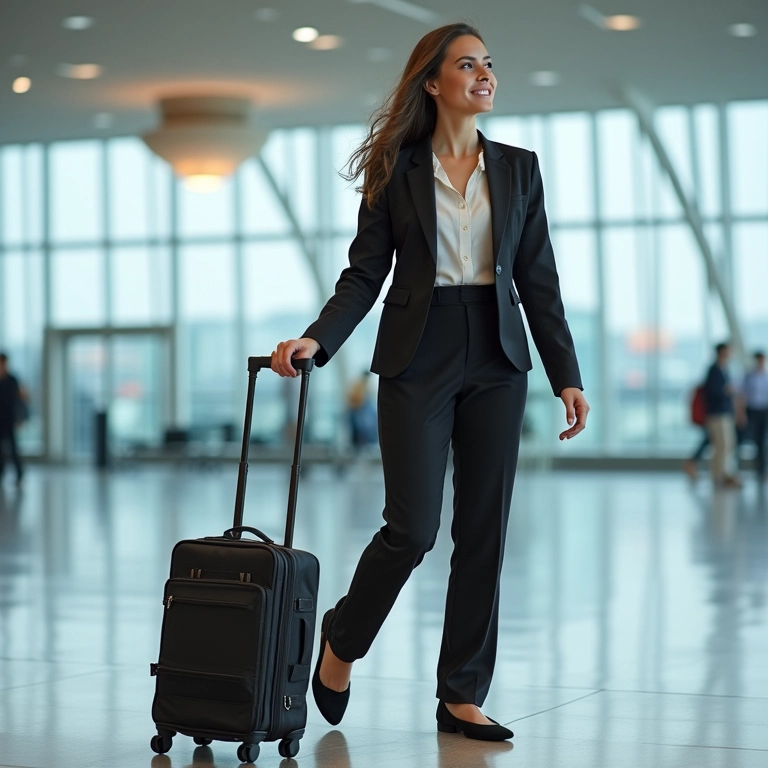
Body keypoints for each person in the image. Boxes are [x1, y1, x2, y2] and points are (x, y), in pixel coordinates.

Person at [272, 23, 589, 741]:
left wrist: (565, 374)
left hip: (500, 358)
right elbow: (363, 275)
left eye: (488, 63)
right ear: (433, 82)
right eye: (467, 63)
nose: (484, 73)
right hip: (419, 351)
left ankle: (460, 695)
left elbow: (539, 280)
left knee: (484, 531)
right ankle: (343, 638)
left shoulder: (518, 168)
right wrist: (317, 341)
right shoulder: (396, 170)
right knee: (412, 528)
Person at [703, 343, 741, 488]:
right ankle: (718, 475)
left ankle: (724, 473)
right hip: (716, 414)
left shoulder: (724, 369)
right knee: (721, 445)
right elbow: (712, 391)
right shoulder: (714, 370)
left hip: (725, 412)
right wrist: (726, 390)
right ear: (721, 352)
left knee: (727, 445)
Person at [0, 352, 26, 488]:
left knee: (13, 448)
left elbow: (20, 400)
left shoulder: (12, 380)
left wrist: (21, 417)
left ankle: (19, 475)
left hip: (10, 419)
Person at [741, 351, 768, 481]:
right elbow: (743, 395)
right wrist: (741, 413)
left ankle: (761, 470)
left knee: (761, 441)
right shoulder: (749, 376)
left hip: (764, 411)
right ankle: (739, 468)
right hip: (751, 410)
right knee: (745, 439)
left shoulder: (766, 376)